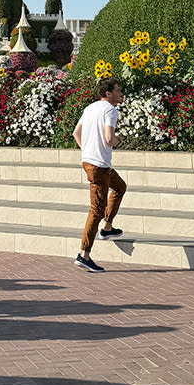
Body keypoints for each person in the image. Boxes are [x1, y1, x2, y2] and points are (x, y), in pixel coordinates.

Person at [72, 78, 127, 274]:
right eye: (118, 91)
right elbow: (109, 138)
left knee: (120, 187)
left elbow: (76, 133)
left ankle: (108, 227)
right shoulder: (110, 110)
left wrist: (87, 151)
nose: (121, 94)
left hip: (93, 163)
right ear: (108, 94)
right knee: (96, 209)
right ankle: (84, 254)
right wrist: (119, 139)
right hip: (99, 167)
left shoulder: (90, 108)